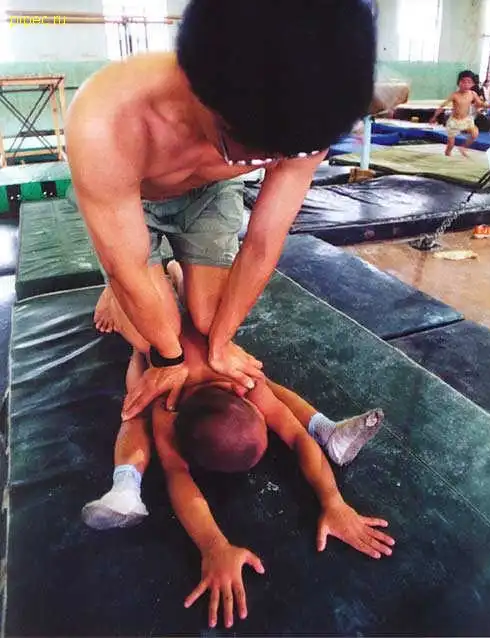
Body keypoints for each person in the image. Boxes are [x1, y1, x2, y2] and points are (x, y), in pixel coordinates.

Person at [65, 0, 376, 420]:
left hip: (208, 193)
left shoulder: (310, 114)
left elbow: (262, 243)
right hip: (134, 202)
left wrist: (220, 343)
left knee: (211, 320)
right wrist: (169, 357)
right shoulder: (107, 119)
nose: (263, 162)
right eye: (243, 150)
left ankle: (171, 274)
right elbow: (128, 265)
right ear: (193, 85)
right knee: (147, 337)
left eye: (275, 156)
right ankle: (119, 290)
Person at [82, 317, 392, 629]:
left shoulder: (243, 380)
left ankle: (326, 429)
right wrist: (213, 545)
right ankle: (125, 484)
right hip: (152, 344)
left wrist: (333, 500)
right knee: (135, 403)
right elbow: (177, 474)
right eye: (265, 422)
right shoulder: (166, 405)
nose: (270, 423)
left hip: (195, 337)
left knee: (264, 384)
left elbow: (298, 437)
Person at [430, 70, 483, 157]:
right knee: (450, 145)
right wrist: (434, 117)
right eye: (463, 82)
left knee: (475, 133)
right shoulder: (455, 95)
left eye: (469, 82)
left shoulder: (472, 94)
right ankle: (447, 154)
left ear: (473, 84)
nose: (466, 84)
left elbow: (480, 103)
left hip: (466, 120)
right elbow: (442, 106)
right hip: (454, 121)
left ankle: (463, 148)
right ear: (458, 82)